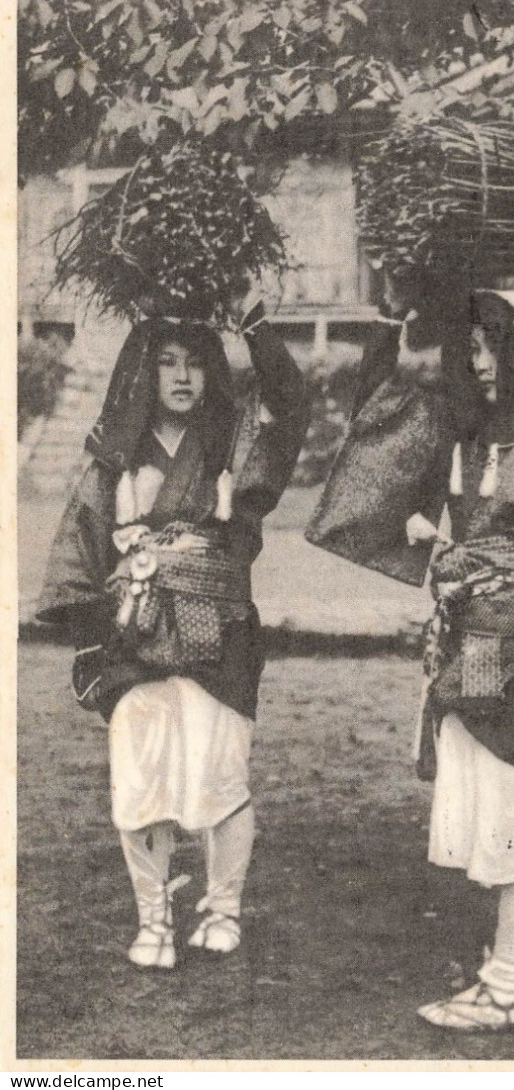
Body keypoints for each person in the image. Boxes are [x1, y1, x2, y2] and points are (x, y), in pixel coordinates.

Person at [307, 271, 514, 1031]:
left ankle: (501, 988)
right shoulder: (481, 435)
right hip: (473, 650)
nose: (481, 359)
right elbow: (379, 424)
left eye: (494, 342)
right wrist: (392, 327)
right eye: (473, 345)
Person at [37, 308, 309, 969]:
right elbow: (81, 540)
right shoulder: (116, 452)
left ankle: (221, 907)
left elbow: (290, 408)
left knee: (220, 773)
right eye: (167, 361)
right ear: (143, 369)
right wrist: (87, 638)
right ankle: (153, 917)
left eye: (194, 360)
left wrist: (253, 325)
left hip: (218, 633)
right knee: (140, 781)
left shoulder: (232, 439)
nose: (183, 375)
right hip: (135, 635)